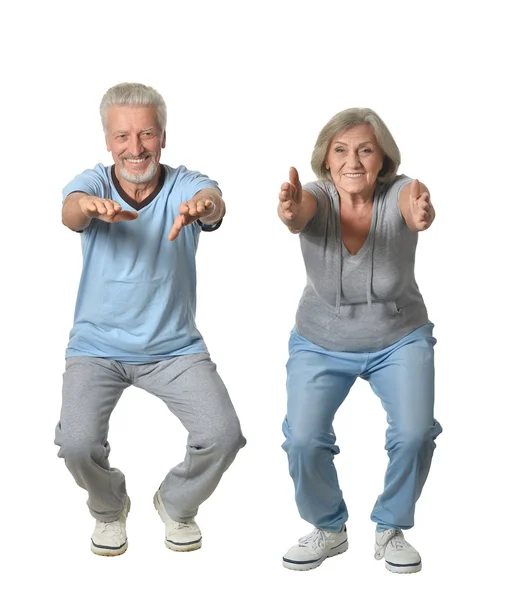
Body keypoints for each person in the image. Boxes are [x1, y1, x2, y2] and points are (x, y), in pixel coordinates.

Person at [55, 82, 246, 557]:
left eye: (146, 135)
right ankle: (108, 508)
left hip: (174, 348)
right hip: (96, 347)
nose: (135, 148)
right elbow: (71, 210)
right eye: (122, 136)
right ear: (107, 140)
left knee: (223, 435)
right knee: (77, 444)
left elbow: (212, 199)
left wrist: (205, 207)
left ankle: (176, 503)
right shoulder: (95, 183)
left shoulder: (184, 184)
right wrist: (88, 208)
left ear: (163, 136)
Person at [277, 108, 442, 574]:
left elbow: (416, 210)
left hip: (399, 338)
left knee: (414, 435)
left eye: (366, 150)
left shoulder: (403, 192)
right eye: (341, 150)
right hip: (320, 341)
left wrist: (421, 214)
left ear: (383, 159)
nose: (354, 161)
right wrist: (290, 212)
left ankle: (390, 527)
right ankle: (329, 528)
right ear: (326, 160)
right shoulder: (315, 197)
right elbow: (299, 214)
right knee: (304, 440)